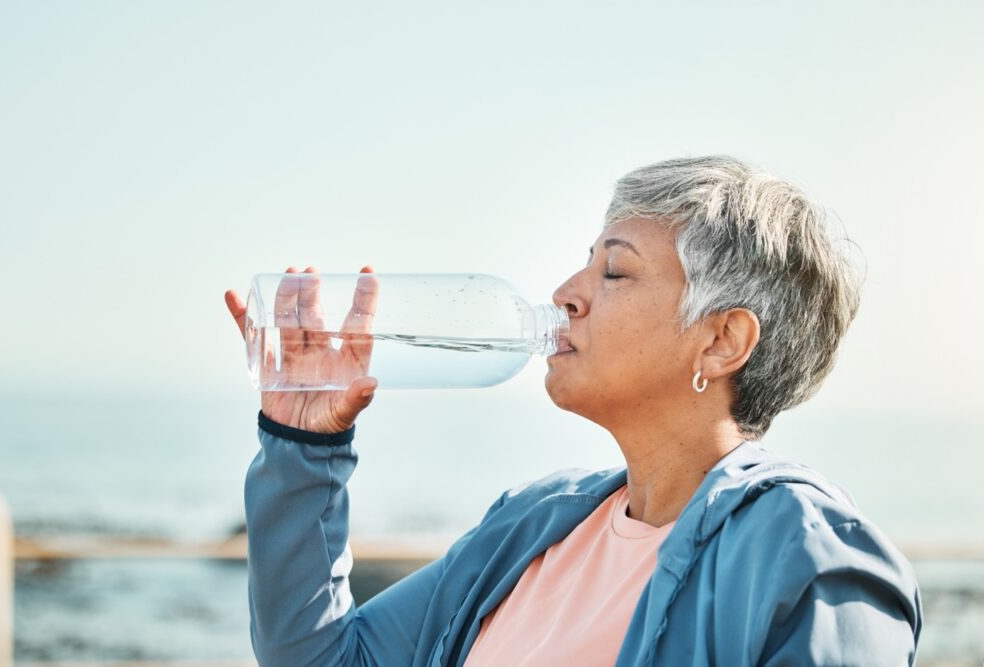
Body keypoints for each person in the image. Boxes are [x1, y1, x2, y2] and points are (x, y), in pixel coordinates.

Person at [224, 156, 922, 666]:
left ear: (721, 340)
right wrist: (302, 444)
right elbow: (317, 658)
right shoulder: (533, 524)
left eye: (613, 271)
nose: (564, 291)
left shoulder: (811, 556)